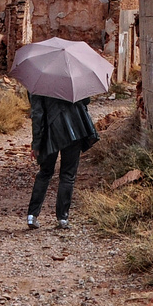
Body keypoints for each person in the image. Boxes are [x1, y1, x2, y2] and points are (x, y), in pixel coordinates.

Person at [26, 93, 99, 230]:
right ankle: (63, 218)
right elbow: (86, 100)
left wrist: (36, 144)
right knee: (68, 175)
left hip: (50, 131)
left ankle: (32, 215)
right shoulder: (74, 76)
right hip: (75, 129)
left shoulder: (39, 82)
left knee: (45, 173)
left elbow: (37, 114)